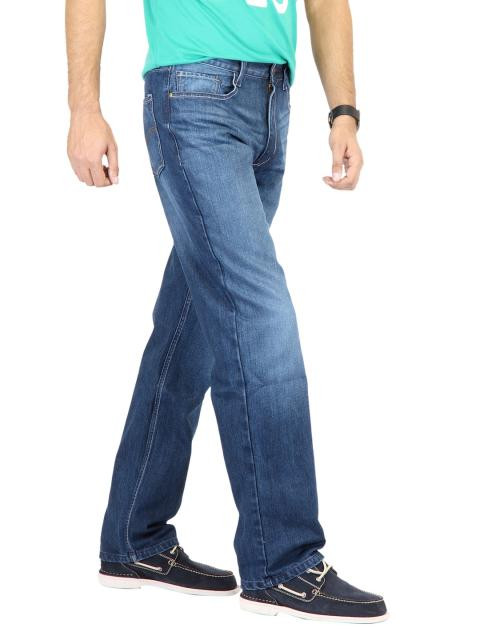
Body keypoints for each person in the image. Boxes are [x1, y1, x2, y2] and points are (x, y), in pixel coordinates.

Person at [66, 0, 387, 623]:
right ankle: (283, 561)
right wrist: (84, 108)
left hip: (271, 103)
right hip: (194, 94)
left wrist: (344, 111)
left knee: (191, 332)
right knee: (259, 315)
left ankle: (134, 537)